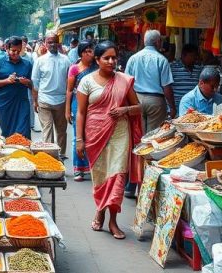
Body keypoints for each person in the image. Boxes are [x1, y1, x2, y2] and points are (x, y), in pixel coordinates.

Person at [75, 40, 142, 241]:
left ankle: (113, 221)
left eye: (114, 57)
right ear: (97, 60)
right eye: (107, 58)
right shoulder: (86, 81)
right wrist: (80, 140)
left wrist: (125, 109)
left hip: (120, 133)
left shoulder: (123, 80)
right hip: (95, 135)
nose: (112, 61)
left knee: (117, 176)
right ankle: (100, 211)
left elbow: (138, 107)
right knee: (101, 177)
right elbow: (80, 112)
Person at [0, 36, 35, 138]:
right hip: (5, 104)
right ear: (7, 49)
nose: (16, 53)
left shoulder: (27, 64)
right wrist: (7, 81)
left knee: (23, 133)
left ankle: (24, 153)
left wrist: (26, 82)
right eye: (13, 50)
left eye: (18, 50)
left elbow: (32, 85)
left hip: (22, 102)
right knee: (7, 134)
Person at [32, 34, 71, 156]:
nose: (52, 44)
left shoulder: (66, 60)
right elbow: (35, 82)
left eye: (54, 42)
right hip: (44, 100)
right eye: (49, 42)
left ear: (58, 43)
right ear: (45, 44)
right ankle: (49, 157)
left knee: (61, 131)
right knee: (47, 131)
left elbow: (69, 81)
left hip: (61, 101)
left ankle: (61, 155)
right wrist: (35, 101)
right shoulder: (40, 61)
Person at [66, 40, 96, 181]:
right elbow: (69, 90)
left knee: (92, 136)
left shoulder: (97, 68)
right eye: (87, 51)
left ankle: (91, 167)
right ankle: (78, 169)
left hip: (94, 104)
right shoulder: (75, 69)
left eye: (92, 51)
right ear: (81, 53)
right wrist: (67, 111)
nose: (91, 54)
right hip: (78, 104)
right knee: (77, 137)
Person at [170, 44, 203, 111]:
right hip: (177, 107)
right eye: (192, 56)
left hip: (194, 108)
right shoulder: (172, 68)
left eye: (196, 56)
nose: (195, 58)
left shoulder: (199, 69)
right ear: (183, 55)